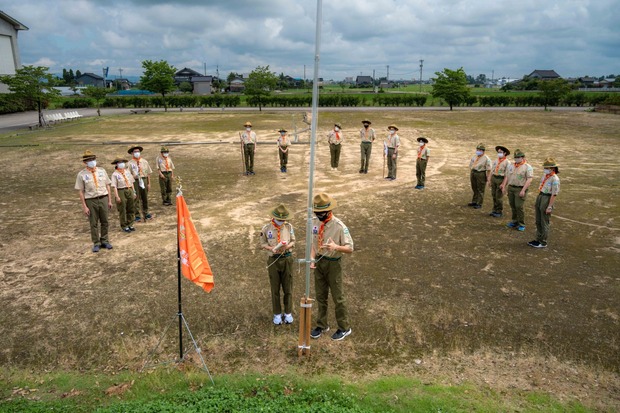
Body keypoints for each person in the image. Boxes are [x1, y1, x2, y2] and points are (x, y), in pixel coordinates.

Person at [310, 192, 354, 341]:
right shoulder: (315, 223)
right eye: (316, 213)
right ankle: (322, 325)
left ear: (328, 211)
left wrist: (336, 247)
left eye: (321, 213)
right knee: (320, 295)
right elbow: (314, 243)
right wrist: (311, 259)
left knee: (338, 297)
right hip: (319, 262)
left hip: (334, 264)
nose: (318, 215)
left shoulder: (339, 226)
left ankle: (344, 327)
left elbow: (350, 248)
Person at [259, 204, 296, 325]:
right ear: (274, 217)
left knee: (288, 287)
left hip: (286, 259)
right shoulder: (266, 228)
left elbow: (293, 241)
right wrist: (271, 248)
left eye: (283, 219)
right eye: (279, 219)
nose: (281, 221)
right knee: (275, 288)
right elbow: (262, 243)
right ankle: (277, 314)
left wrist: (287, 246)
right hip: (273, 260)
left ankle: (288, 312)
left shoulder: (289, 227)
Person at [75, 150, 113, 252]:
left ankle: (105, 240)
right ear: (85, 162)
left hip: (103, 198)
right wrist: (84, 206)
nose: (92, 161)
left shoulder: (102, 171)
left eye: (93, 159)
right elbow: (81, 191)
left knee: (105, 221)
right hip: (91, 200)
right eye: (89, 160)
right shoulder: (81, 174)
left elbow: (108, 186)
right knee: (94, 223)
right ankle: (96, 242)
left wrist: (109, 200)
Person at [529, 158, 560, 248]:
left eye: (547, 168)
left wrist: (549, 206)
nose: (545, 169)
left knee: (544, 221)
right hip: (541, 195)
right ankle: (538, 239)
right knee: (538, 220)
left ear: (552, 168)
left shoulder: (555, 179)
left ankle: (543, 242)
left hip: (547, 197)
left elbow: (554, 194)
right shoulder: (545, 176)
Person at [501, 149, 534, 232]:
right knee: (513, 205)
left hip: (520, 188)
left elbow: (529, 179)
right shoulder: (511, 166)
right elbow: (507, 176)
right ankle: (514, 221)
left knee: (519, 206)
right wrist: (504, 186)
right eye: (515, 157)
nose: (517, 159)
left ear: (523, 157)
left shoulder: (527, 167)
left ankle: (521, 224)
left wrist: (523, 190)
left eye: (518, 157)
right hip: (511, 188)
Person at [127, 145, 153, 222]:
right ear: (132, 153)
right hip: (135, 181)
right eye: (135, 152)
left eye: (138, 151)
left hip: (144, 179)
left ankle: (146, 212)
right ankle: (137, 215)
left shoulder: (144, 161)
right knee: (136, 198)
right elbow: (128, 174)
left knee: (145, 197)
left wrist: (148, 183)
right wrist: (133, 178)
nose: (137, 153)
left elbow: (148, 173)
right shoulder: (129, 163)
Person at [110, 157, 136, 233]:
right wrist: (117, 196)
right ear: (117, 164)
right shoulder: (115, 174)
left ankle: (130, 223)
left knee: (131, 207)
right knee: (123, 208)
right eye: (119, 162)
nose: (122, 164)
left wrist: (134, 192)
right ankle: (124, 225)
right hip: (121, 190)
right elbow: (114, 186)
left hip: (129, 189)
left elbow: (132, 182)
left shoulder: (127, 172)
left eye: (122, 162)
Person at [488, 145, 510, 217]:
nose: (499, 153)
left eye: (501, 152)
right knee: (493, 194)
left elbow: (507, 175)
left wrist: (503, 184)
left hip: (501, 179)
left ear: (505, 153)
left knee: (499, 196)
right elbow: (492, 170)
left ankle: (499, 211)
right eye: (498, 152)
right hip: (494, 177)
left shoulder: (507, 163)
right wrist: (489, 179)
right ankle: (494, 209)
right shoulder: (496, 160)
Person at [468, 143, 491, 209]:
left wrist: (488, 177)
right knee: (474, 187)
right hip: (473, 172)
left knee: (480, 189)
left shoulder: (486, 158)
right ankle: (474, 201)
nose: (478, 151)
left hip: (480, 173)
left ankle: (479, 203)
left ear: (483, 151)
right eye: (477, 149)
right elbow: (471, 165)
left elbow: (489, 169)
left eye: (480, 150)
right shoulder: (474, 156)